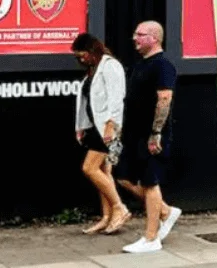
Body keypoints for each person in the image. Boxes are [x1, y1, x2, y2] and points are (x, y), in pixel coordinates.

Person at [114, 21, 182, 254]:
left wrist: (156, 133)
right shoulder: (141, 64)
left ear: (154, 38)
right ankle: (164, 211)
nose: (134, 38)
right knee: (123, 176)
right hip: (134, 135)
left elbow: (164, 100)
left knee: (150, 182)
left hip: (152, 136)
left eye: (140, 34)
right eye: (135, 33)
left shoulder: (163, 66)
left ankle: (151, 238)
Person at [72, 32, 131, 235]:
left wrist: (111, 125)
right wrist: (81, 127)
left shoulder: (110, 66)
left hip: (106, 127)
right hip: (95, 128)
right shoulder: (93, 70)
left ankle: (119, 208)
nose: (80, 59)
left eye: (82, 55)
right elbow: (88, 104)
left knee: (89, 168)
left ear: (92, 50)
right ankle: (106, 217)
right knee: (104, 172)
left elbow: (117, 97)